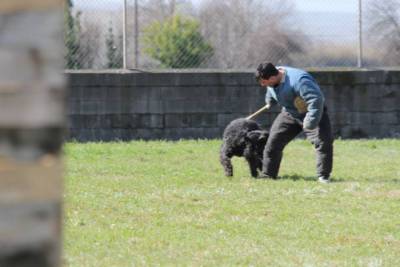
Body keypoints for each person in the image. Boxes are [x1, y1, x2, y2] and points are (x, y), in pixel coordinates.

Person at [255, 62, 333, 183]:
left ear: (273, 77)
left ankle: (323, 176)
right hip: (290, 113)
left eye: (264, 82)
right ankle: (268, 175)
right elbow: (271, 89)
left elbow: (316, 99)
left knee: (323, 142)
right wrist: (269, 100)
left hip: (312, 112)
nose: (262, 85)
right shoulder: (272, 78)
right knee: (273, 142)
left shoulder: (300, 80)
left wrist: (311, 121)